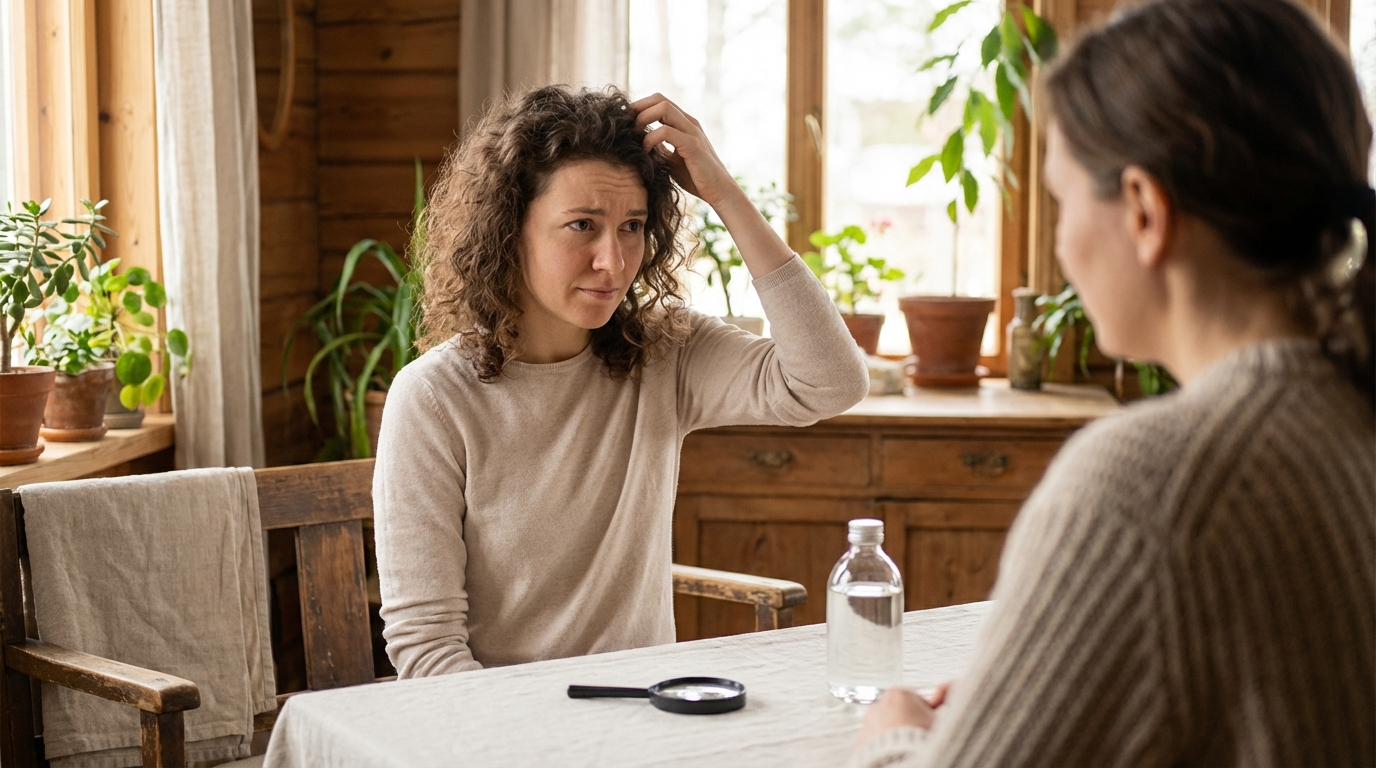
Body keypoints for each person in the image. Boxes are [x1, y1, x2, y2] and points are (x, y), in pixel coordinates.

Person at [850, 0, 1375, 765]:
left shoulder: (1148, 485)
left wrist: (894, 736)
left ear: (1143, 211)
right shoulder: (1350, 414)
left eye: (1062, 201)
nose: (1060, 245)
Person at [372, 86, 869, 678]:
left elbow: (830, 382)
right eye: (582, 225)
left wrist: (724, 194)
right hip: (505, 729)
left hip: (648, 711)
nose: (613, 260)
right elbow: (427, 647)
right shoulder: (432, 397)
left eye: (631, 226)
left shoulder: (662, 353)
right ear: (509, 231)